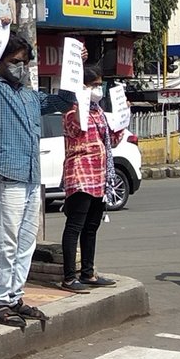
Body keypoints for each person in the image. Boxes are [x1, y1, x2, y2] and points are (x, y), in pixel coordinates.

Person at [0, 35, 75, 327]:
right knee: (7, 243)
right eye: (14, 61)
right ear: (0, 62)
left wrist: (73, 67)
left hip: (31, 176)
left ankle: (14, 297)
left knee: (26, 242)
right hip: (8, 175)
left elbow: (65, 100)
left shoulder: (31, 97)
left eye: (25, 62)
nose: (21, 67)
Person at [58, 65, 124, 293]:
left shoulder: (99, 111)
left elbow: (111, 141)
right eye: (94, 85)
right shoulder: (71, 110)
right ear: (83, 87)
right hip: (80, 174)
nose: (98, 89)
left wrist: (122, 119)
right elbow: (74, 129)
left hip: (99, 176)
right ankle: (69, 277)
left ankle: (88, 272)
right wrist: (81, 100)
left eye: (99, 85)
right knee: (75, 225)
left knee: (92, 226)